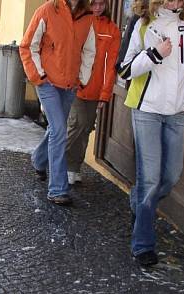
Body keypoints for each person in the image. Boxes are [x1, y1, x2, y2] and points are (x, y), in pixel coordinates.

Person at [117, 0, 184, 266]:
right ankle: (143, 244)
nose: (175, 1)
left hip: (178, 111)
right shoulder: (142, 20)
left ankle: (138, 203)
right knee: (150, 179)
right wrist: (154, 54)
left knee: (170, 176)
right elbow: (123, 68)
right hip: (147, 108)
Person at [20, 0, 95, 206]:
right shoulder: (46, 11)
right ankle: (57, 189)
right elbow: (27, 46)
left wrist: (82, 78)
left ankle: (39, 160)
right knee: (60, 130)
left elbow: (89, 51)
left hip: (70, 85)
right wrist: (38, 76)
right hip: (48, 83)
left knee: (56, 130)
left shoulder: (86, 17)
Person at [65, 0, 121, 185]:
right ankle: (60, 165)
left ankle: (73, 166)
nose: (97, 8)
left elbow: (111, 66)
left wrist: (105, 94)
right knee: (76, 125)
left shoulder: (112, 30)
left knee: (85, 128)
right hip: (75, 85)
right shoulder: (80, 22)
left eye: (101, 4)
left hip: (95, 89)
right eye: (93, 4)